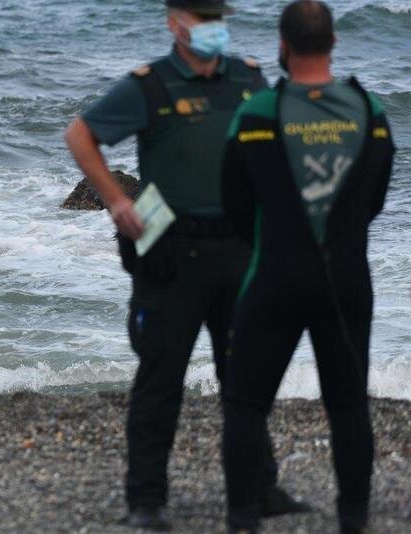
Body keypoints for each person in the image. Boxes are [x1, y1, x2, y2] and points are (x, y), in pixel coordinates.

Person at [64, 1, 309, 530]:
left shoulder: (247, 78)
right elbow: (80, 136)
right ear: (175, 24)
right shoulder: (149, 86)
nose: (212, 28)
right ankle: (145, 501)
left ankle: (259, 487)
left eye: (217, 18)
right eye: (201, 19)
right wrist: (115, 200)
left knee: (244, 376)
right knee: (161, 377)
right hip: (171, 253)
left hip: (240, 249)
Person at [220, 1, 396, 533]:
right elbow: (376, 199)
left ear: (282, 45)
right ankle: (353, 519)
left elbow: (234, 202)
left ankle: (244, 519)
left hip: (275, 273)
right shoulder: (371, 111)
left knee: (247, 403)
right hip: (346, 277)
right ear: (333, 44)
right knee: (347, 405)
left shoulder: (256, 112)